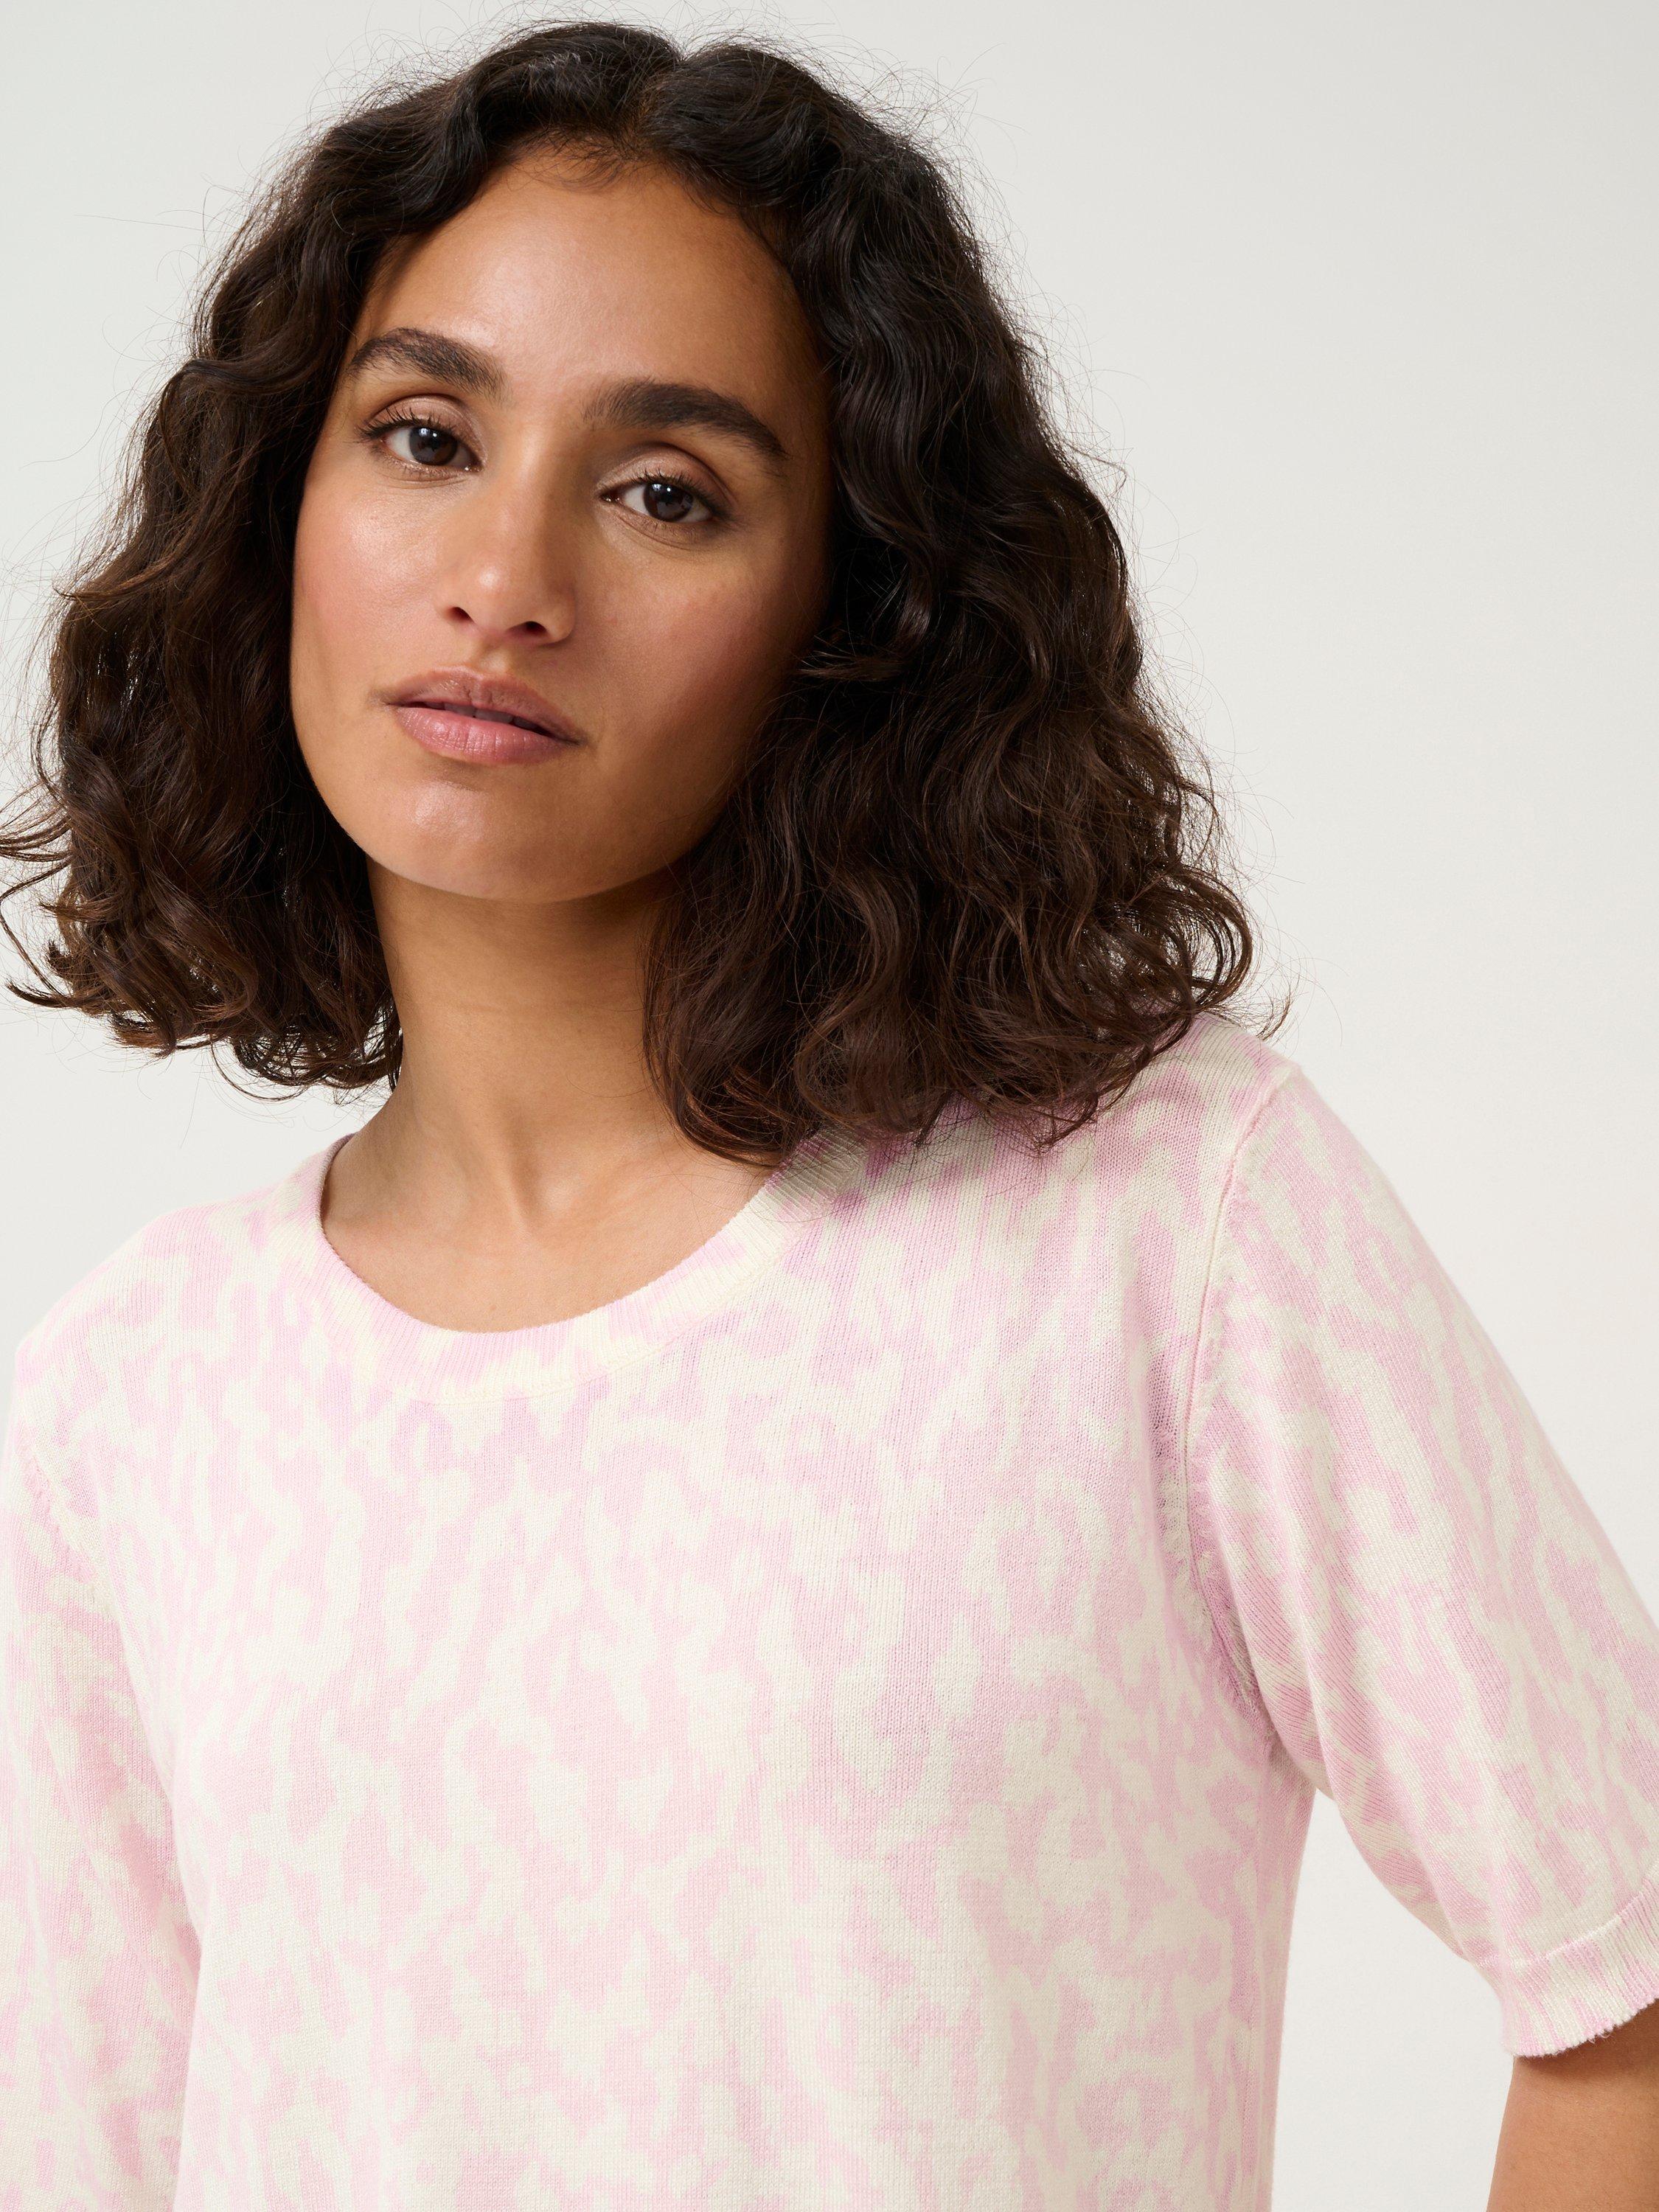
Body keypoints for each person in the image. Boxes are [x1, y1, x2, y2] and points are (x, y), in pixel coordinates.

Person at [1, 21, 1655, 2211]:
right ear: (274, 511)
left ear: (852, 614)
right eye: (423, 436)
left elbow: (1627, 1993)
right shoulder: (134, 1396)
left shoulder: (1162, 1226)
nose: (506, 575)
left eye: (665, 491)